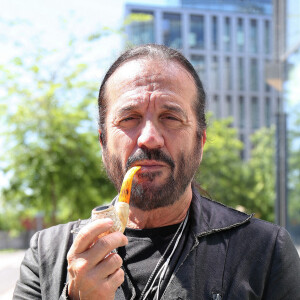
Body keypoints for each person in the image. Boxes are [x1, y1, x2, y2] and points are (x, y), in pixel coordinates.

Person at [14, 44, 300, 300]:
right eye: (129, 118)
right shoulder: (48, 255)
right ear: (103, 142)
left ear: (200, 141)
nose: (149, 138)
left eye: (171, 117)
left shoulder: (265, 252)